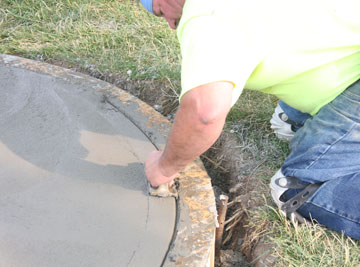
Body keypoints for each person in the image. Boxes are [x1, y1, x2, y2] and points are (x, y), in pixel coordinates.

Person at [140, 0, 360, 240]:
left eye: (161, 12)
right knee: (287, 123)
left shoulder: (208, 14)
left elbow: (204, 113)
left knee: (295, 190)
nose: (171, 25)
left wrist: (164, 168)